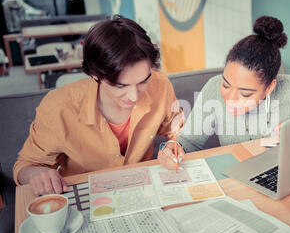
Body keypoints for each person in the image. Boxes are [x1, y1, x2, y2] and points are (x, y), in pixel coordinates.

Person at [158, 16, 290, 169]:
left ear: (270, 87)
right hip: (236, 174)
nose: (230, 98)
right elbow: (189, 141)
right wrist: (171, 149)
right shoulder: (212, 88)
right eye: (226, 84)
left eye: (245, 94)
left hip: (288, 171)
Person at [14, 15, 184, 195]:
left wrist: (171, 147)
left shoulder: (160, 85)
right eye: (121, 85)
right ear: (95, 74)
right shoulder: (58, 108)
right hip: (88, 199)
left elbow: (177, 131)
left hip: (142, 190)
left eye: (143, 81)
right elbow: (25, 166)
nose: (134, 96)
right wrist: (38, 174)